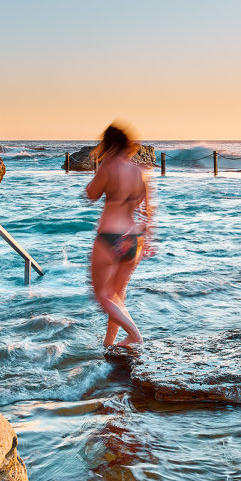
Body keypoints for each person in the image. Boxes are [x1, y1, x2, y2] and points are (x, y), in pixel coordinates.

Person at [85, 123, 152, 347]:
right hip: (134, 240)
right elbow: (147, 211)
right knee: (117, 295)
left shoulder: (108, 166)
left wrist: (98, 171)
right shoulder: (138, 172)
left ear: (108, 143)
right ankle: (110, 344)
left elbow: (92, 194)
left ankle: (134, 335)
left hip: (111, 237)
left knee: (102, 295)